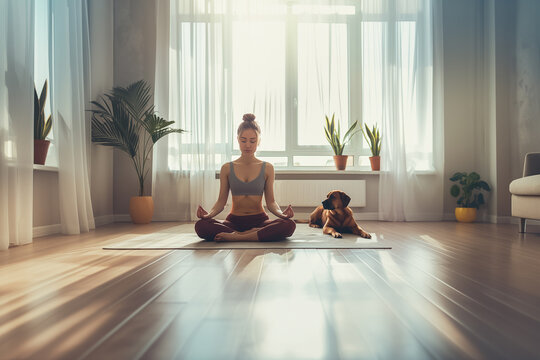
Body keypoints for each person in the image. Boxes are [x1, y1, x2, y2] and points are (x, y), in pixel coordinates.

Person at [195, 113, 296, 242]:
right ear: (237, 139)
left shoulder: (268, 168)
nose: (248, 145)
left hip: (260, 220)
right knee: (201, 226)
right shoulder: (227, 168)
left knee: (289, 225)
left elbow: (271, 202)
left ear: (258, 141)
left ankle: (236, 236)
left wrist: (282, 215)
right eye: (243, 140)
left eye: (252, 141)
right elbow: (221, 202)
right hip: (234, 221)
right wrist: (208, 215)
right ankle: (253, 235)